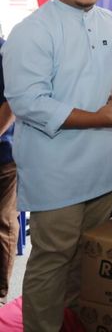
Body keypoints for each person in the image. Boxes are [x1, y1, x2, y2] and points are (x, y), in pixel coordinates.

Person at [2, 0, 112, 330]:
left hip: (107, 168)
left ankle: (75, 320)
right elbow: (28, 102)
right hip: (57, 170)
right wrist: (98, 119)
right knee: (53, 258)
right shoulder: (32, 31)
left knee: (85, 256)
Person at [0, 36, 18, 307]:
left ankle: (0, 293)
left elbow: (12, 103)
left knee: (2, 222)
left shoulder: (6, 52)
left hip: (4, 155)